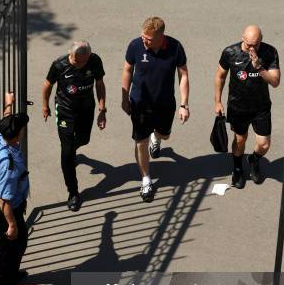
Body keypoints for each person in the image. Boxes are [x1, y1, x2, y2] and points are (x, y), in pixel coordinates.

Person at [122, 16, 190, 202]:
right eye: (143, 36)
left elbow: (183, 74)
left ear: (161, 37)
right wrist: (124, 97)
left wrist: (184, 104)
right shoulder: (135, 46)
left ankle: (157, 138)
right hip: (140, 104)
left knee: (164, 134)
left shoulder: (175, 47)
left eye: (149, 39)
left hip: (165, 104)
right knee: (140, 142)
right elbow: (128, 69)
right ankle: (146, 179)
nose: (145, 40)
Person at [42, 40, 107, 211]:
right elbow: (47, 85)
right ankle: (73, 192)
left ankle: (75, 151)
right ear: (71, 55)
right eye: (77, 61)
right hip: (65, 111)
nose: (80, 65)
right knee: (67, 152)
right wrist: (45, 105)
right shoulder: (59, 65)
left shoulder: (95, 61)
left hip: (86, 108)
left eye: (84, 61)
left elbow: (99, 84)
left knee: (84, 139)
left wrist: (102, 107)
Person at [214, 25, 281, 188]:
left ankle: (253, 159)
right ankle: (237, 168)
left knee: (264, 144)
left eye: (255, 45)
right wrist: (218, 101)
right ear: (242, 38)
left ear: (261, 41)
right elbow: (220, 76)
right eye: (248, 44)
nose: (252, 48)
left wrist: (259, 67)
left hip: (261, 107)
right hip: (238, 107)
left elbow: (275, 82)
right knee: (240, 140)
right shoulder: (230, 52)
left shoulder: (269, 52)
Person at [0, 92, 30, 285]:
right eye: (22, 129)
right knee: (11, 246)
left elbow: (6, 122)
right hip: (7, 210)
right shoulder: (8, 164)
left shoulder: (1, 138)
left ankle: (9, 275)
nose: (24, 130)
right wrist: (12, 224)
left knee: (17, 243)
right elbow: (4, 200)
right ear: (16, 135)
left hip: (9, 206)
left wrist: (8, 104)